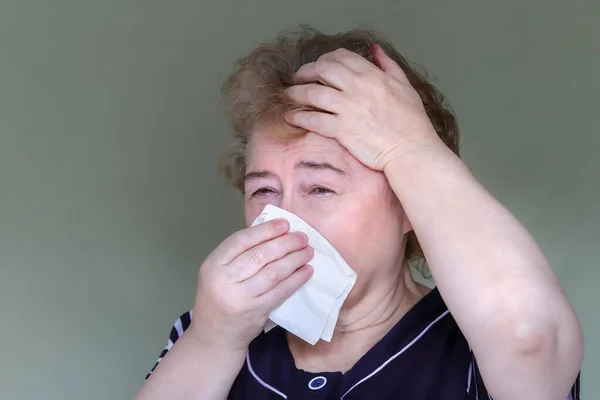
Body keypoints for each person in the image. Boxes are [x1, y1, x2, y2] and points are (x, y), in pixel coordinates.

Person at [134, 27, 583, 400]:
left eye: (321, 187)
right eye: (264, 189)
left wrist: (409, 146)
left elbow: (530, 341)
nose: (284, 217)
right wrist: (214, 338)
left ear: (411, 205)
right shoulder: (209, 330)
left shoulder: (471, 345)